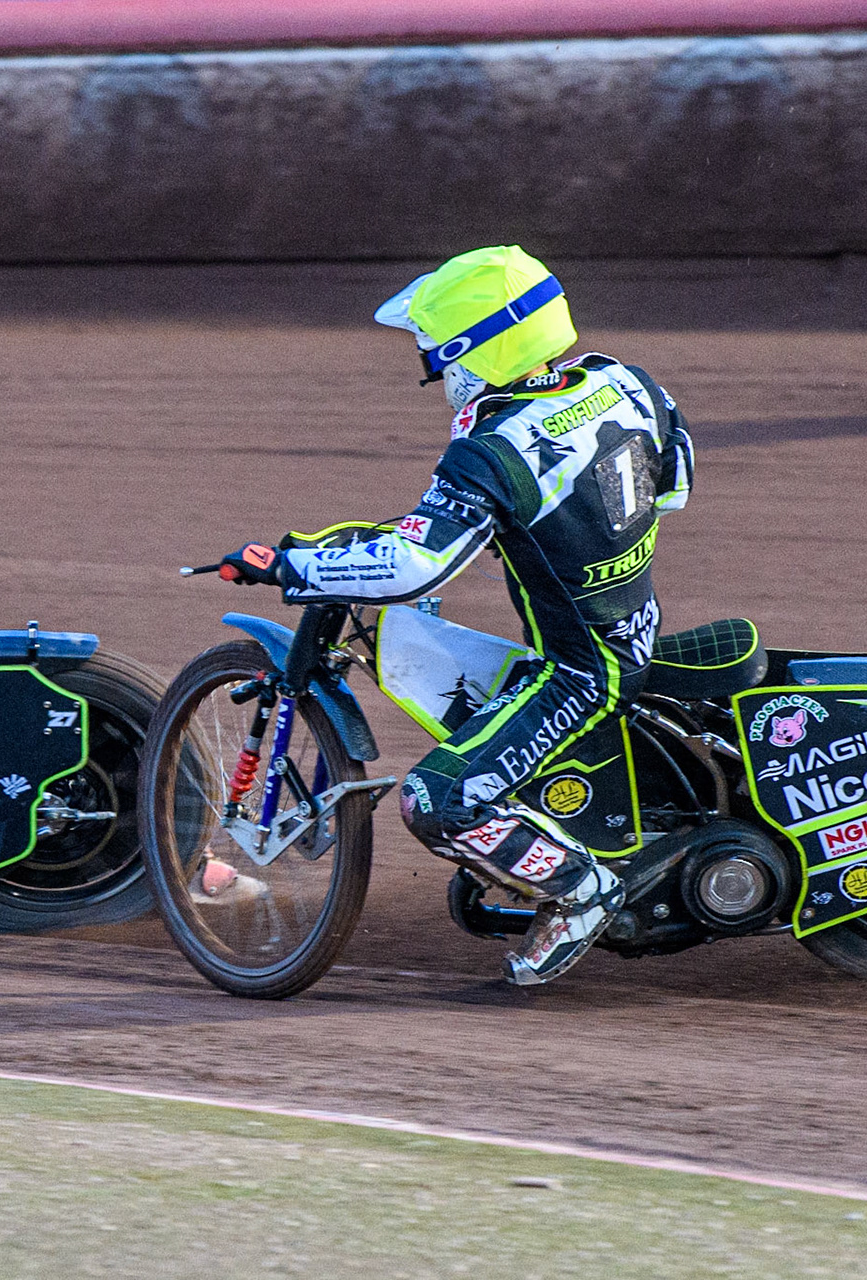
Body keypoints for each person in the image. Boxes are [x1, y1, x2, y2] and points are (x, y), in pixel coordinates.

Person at [216, 246, 694, 985]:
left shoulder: (491, 451)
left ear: (477, 348)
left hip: (579, 673)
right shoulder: (626, 382)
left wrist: (293, 563)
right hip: (636, 622)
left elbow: (416, 565)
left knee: (436, 800)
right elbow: (673, 485)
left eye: (434, 352)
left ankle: (583, 890)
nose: (431, 367)